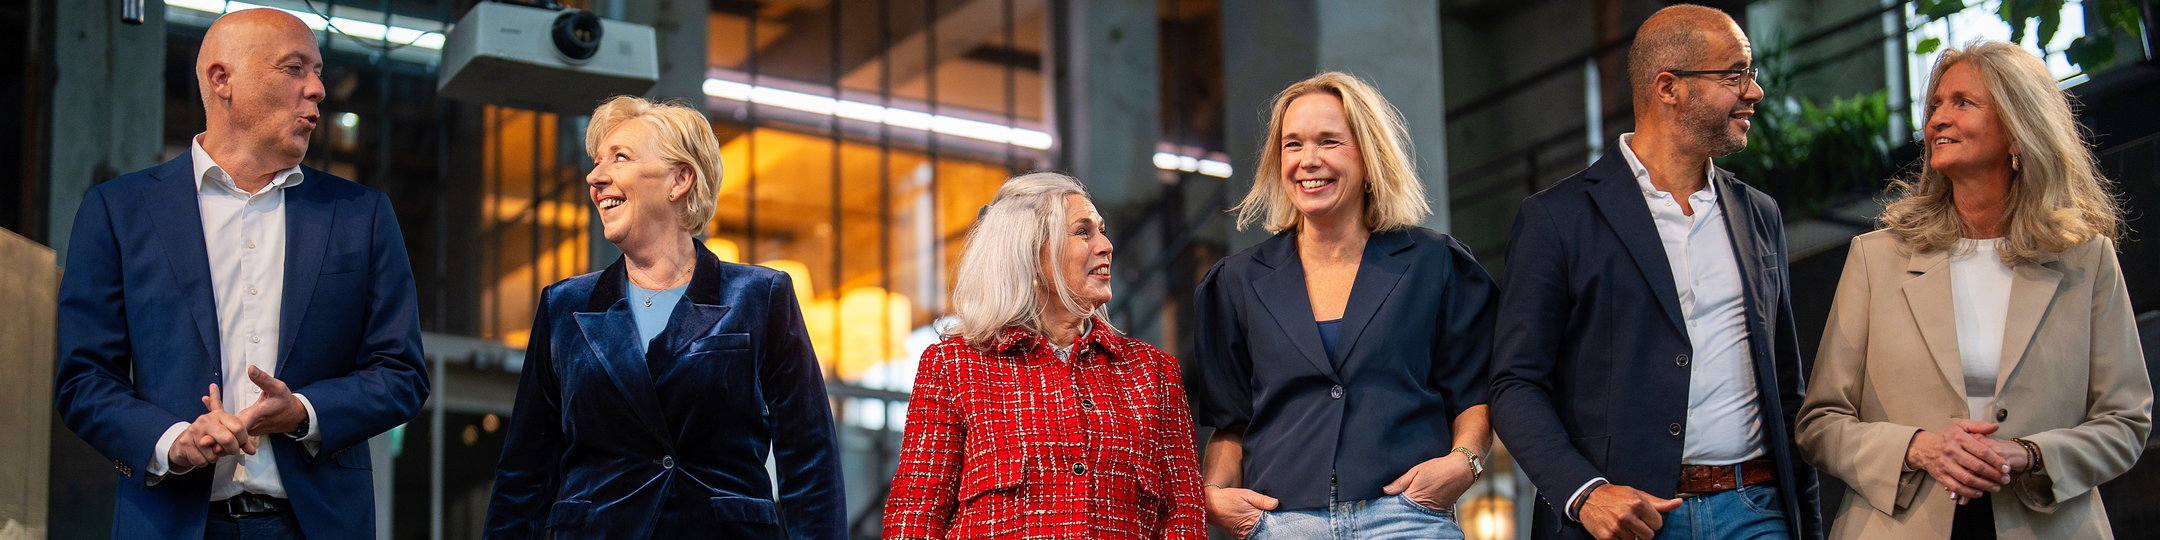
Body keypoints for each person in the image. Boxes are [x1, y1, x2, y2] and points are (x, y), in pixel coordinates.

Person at [52, 9, 429, 540]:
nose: (318, 89)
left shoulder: (360, 214)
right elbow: (84, 379)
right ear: (221, 80)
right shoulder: (119, 210)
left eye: (318, 71)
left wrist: (301, 411)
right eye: (295, 68)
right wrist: (173, 441)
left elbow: (402, 372)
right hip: (170, 520)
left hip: (316, 524)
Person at [1487, 5, 1822, 540]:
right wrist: (1583, 494)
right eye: (1736, 73)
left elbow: (1787, 389)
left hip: (1758, 512)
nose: (1754, 91)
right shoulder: (1557, 219)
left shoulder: (1760, 213)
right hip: (1629, 522)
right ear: (1669, 87)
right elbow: (1515, 384)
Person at [1794, 42, 2151, 540]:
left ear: (2019, 129)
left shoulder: (2085, 259)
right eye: (1936, 104)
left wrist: (2026, 454)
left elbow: (2125, 422)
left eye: (1963, 102)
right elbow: (1821, 423)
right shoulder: (1876, 258)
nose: (1938, 118)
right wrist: (1919, 447)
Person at [483, 96, 845, 539]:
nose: (595, 178)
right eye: (596, 163)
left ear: (680, 179)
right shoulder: (565, 306)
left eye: (620, 158)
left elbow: (810, 458)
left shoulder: (759, 295)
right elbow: (524, 473)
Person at [1189, 71, 1497, 540]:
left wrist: (1464, 464)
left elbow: (1473, 394)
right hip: (1281, 521)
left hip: (1406, 515)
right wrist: (1213, 495)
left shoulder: (1435, 264)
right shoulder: (1236, 282)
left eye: (1329, 142)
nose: (1308, 160)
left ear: (1368, 156)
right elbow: (1231, 423)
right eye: (1292, 145)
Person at [882, 172, 1206, 539]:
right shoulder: (953, 365)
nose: (1106, 244)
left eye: (1102, 230)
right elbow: (914, 516)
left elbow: (1185, 514)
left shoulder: (1153, 372)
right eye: (1084, 232)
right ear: (1033, 254)